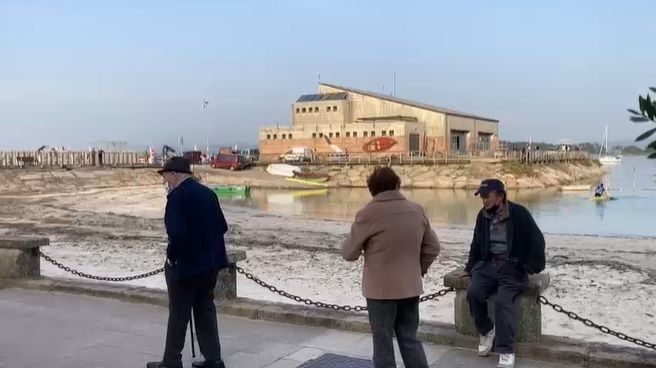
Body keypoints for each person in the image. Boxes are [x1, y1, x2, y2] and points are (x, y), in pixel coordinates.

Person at [341, 166, 440, 368]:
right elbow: (433, 247)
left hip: (380, 291)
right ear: (397, 184)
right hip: (410, 287)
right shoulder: (417, 210)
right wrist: (417, 269)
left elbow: (348, 253)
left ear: (372, 189)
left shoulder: (368, 213)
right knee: (409, 338)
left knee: (383, 342)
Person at [453, 179, 545, 368]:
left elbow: (537, 241)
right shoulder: (482, 216)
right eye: (482, 196)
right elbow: (476, 244)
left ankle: (507, 350)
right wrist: (469, 268)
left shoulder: (520, 214)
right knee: (474, 292)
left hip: (513, 268)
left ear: (501, 196)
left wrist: (529, 266)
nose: (484, 200)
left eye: (487, 196)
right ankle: (486, 331)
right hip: (488, 266)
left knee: (503, 302)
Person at [147, 157, 229, 368]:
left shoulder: (177, 197)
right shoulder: (208, 193)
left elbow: (177, 235)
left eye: (165, 178)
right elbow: (222, 226)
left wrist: (173, 258)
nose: (165, 182)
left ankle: (171, 361)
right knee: (205, 310)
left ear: (174, 175)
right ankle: (213, 359)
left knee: (178, 314)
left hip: (186, 267)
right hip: (210, 264)